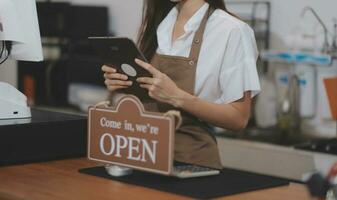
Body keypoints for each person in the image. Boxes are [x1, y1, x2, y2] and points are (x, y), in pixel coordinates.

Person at [102, 0, 261, 169]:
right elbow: (149, 100)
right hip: (142, 154)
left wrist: (177, 96)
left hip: (190, 164)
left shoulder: (232, 30)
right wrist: (124, 84)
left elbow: (239, 119)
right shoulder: (158, 25)